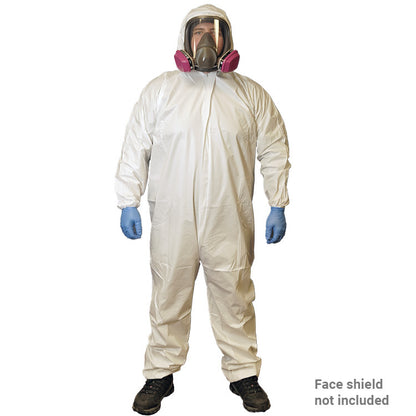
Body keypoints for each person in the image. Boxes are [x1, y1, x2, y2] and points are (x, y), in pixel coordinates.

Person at [115, 4, 290, 414]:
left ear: (227, 39)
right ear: (185, 39)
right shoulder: (161, 90)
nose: (206, 39)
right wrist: (127, 199)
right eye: (198, 32)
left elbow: (274, 148)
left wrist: (277, 202)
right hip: (172, 216)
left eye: (214, 31)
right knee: (168, 292)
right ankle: (160, 373)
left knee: (235, 293)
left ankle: (243, 372)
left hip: (229, 215)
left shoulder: (250, 94)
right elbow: (135, 145)